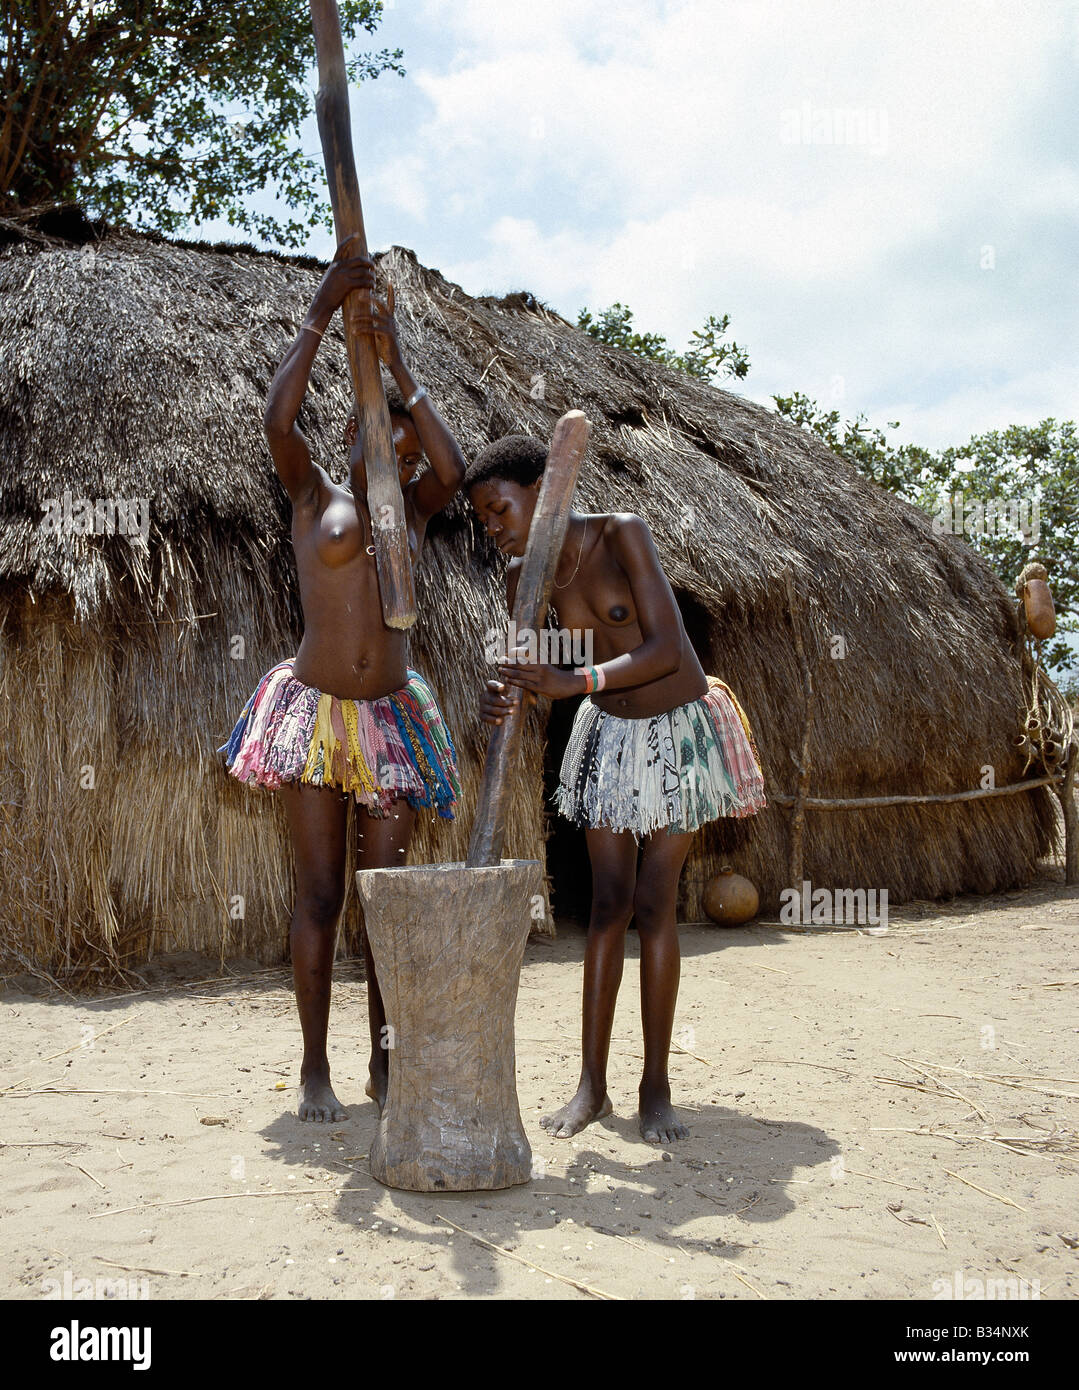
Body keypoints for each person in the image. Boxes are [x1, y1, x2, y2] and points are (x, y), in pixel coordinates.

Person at [221, 239, 465, 1122]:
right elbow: (276, 422)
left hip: (391, 721)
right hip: (317, 718)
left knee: (385, 903)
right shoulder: (311, 494)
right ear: (362, 434)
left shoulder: (417, 509)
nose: (401, 457)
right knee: (321, 895)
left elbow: (453, 469)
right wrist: (323, 311)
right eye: (389, 438)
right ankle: (315, 1066)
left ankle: (385, 1064)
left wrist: (398, 359)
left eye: (404, 445)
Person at [469, 434, 766, 1144]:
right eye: (483, 519)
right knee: (606, 905)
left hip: (677, 728)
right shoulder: (523, 577)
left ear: (541, 489)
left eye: (497, 508)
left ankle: (655, 1087)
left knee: (653, 904)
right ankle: (590, 1086)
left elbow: (668, 648)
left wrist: (577, 682)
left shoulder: (618, 534)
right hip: (607, 737)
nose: (493, 525)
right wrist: (507, 695)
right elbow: (540, 672)